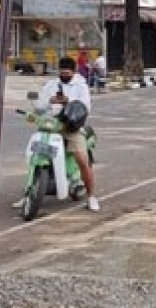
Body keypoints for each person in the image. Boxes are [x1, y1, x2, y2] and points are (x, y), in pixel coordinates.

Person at [17, 57, 100, 212]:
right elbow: (41, 106)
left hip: (71, 126)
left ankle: (91, 197)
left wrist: (68, 101)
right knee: (35, 154)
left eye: (67, 73)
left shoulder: (80, 86)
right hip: (51, 125)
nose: (64, 75)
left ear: (73, 72)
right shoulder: (51, 85)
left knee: (82, 159)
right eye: (62, 73)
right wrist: (50, 100)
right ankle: (28, 192)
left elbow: (85, 106)